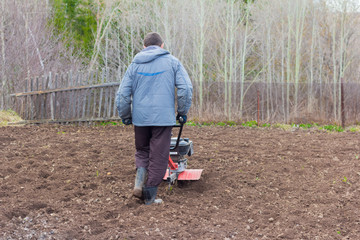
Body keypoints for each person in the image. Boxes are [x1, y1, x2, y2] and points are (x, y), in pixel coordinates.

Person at [115, 32, 193, 205]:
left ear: (144, 47)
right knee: (158, 156)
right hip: (163, 119)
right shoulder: (172, 62)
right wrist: (182, 112)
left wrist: (126, 115)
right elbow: (186, 88)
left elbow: (122, 94)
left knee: (142, 151)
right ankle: (149, 197)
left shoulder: (134, 64)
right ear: (162, 45)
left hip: (141, 119)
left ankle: (138, 184)